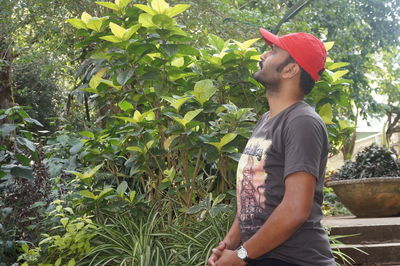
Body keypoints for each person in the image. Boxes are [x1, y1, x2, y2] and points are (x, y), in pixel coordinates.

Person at [207, 28, 336, 266]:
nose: (264, 56)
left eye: (274, 51)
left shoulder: (302, 122)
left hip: (295, 260)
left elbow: (295, 209)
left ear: (290, 69)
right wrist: (229, 245)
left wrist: (242, 256)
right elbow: (253, 198)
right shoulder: (267, 120)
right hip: (263, 257)